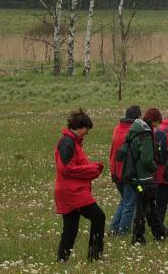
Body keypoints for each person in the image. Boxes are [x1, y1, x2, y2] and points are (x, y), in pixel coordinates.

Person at [54, 109, 106, 262]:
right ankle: (94, 256)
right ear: (80, 126)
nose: (87, 133)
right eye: (86, 130)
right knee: (99, 217)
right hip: (72, 192)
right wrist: (91, 169)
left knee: (70, 229)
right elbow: (66, 168)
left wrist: (90, 170)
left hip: (70, 190)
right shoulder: (67, 142)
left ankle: (62, 260)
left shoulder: (72, 142)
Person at [128, 108, 168, 245]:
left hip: (136, 178)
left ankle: (159, 232)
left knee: (148, 204)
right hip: (145, 179)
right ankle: (138, 237)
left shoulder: (134, 131)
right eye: (157, 122)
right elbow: (147, 158)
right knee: (142, 206)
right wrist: (155, 168)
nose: (157, 126)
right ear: (153, 120)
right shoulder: (145, 134)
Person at [108, 104, 141, 236]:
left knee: (125, 200)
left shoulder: (117, 128)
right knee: (130, 203)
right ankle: (123, 232)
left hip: (116, 171)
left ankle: (113, 228)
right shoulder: (134, 131)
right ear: (138, 117)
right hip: (128, 173)